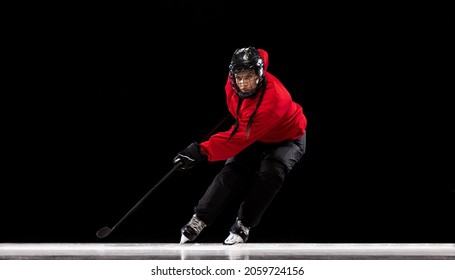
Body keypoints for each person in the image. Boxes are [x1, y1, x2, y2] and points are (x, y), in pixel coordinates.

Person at [173, 46, 307, 245]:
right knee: (231, 172)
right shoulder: (233, 82)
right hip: (252, 132)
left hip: (286, 138)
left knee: (271, 172)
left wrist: (200, 151)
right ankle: (199, 219)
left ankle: (243, 225)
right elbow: (242, 120)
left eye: (249, 77)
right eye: (239, 77)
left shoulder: (274, 101)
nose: (244, 84)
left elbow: (238, 138)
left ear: (260, 74)